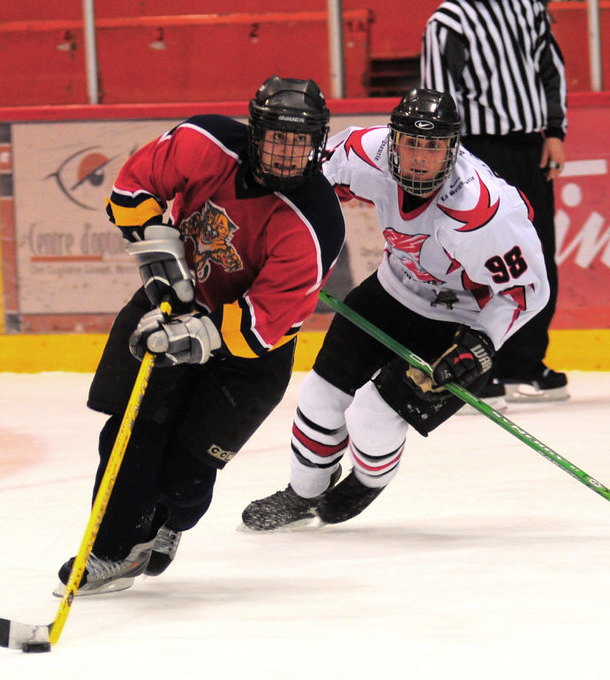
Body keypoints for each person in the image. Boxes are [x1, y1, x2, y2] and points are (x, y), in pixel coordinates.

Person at [54, 75, 345, 595]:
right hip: (169, 303)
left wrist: (193, 336)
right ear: (254, 131)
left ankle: (168, 523)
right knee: (130, 432)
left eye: (300, 141)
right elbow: (130, 190)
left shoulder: (316, 220)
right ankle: (111, 551)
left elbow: (264, 326)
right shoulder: (204, 142)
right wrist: (158, 252)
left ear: (317, 143)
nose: (286, 152)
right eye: (277, 136)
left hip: (247, 357)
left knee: (185, 478)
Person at [240, 88, 549, 531]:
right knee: (320, 396)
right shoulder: (368, 152)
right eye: (411, 143)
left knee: (372, 413)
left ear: (452, 148)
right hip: (391, 290)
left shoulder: (483, 212)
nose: (420, 157)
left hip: (459, 319)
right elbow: (305, 185)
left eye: (433, 146)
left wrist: (481, 344)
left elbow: (527, 290)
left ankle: (367, 481)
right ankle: (302, 492)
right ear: (394, 138)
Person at [421, 0, 570, 407]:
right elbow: (440, 94)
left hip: (530, 146)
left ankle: (526, 363)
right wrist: (452, 161)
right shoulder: (449, 20)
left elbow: (550, 69)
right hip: (478, 152)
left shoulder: (527, 7)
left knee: (536, 255)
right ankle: (479, 365)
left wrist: (554, 130)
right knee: (480, 261)